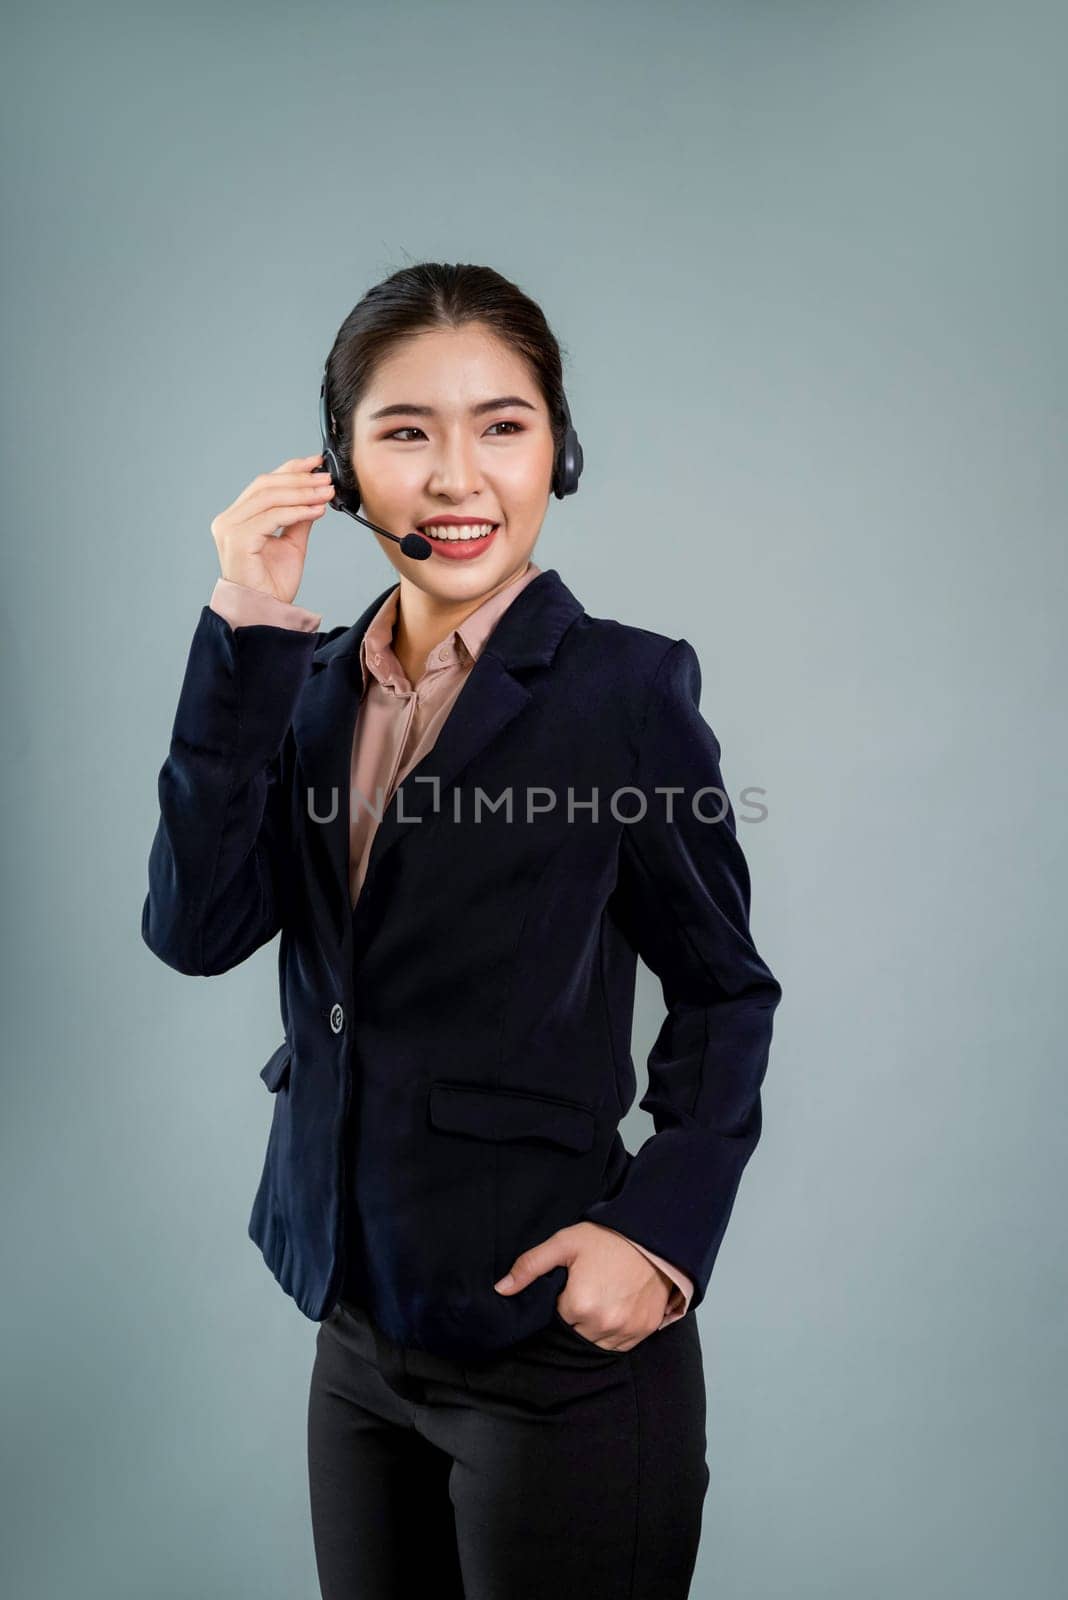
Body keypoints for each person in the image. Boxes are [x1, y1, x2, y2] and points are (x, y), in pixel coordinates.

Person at [142, 262, 783, 1599]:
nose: (455, 477)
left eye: (501, 425)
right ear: (340, 470)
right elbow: (197, 930)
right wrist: (244, 628)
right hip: (355, 1329)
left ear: (559, 450)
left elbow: (725, 988)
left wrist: (658, 1236)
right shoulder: (302, 684)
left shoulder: (622, 690)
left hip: (552, 1351)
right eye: (404, 431)